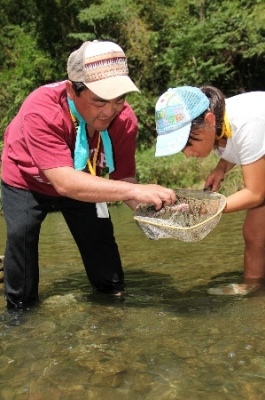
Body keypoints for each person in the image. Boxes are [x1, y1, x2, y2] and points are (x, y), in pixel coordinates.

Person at [0, 40, 176, 308]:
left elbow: (124, 180)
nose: (110, 110)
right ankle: (19, 314)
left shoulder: (124, 120)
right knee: (21, 238)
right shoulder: (42, 110)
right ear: (72, 90)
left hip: (83, 180)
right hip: (27, 179)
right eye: (99, 101)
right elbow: (65, 183)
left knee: (102, 248)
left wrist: (159, 212)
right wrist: (133, 191)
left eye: (119, 99)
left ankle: (112, 305)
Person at [154, 85, 265, 295]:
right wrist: (221, 168)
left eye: (187, 143)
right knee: (254, 233)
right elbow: (239, 147)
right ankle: (254, 290)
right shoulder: (219, 124)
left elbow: (256, 193)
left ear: (209, 121)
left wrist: (207, 208)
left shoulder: (247, 122)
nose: (187, 153)